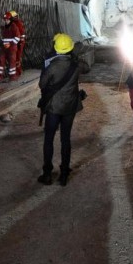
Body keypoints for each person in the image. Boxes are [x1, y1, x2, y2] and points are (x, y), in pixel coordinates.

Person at [37, 33, 90, 186]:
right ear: (70, 49)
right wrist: (75, 57)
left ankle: (47, 174)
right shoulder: (75, 64)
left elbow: (42, 84)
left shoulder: (52, 65)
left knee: (49, 139)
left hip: (54, 107)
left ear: (56, 48)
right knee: (65, 139)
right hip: (70, 107)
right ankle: (64, 174)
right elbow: (86, 68)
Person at [0, 10, 25, 82]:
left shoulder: (15, 26)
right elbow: (5, 36)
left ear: (10, 19)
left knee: (12, 61)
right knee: (1, 60)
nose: (6, 21)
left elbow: (17, 37)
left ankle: (13, 76)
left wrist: (11, 44)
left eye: (7, 19)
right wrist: (2, 42)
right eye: (5, 20)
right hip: (4, 47)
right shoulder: (5, 27)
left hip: (11, 47)